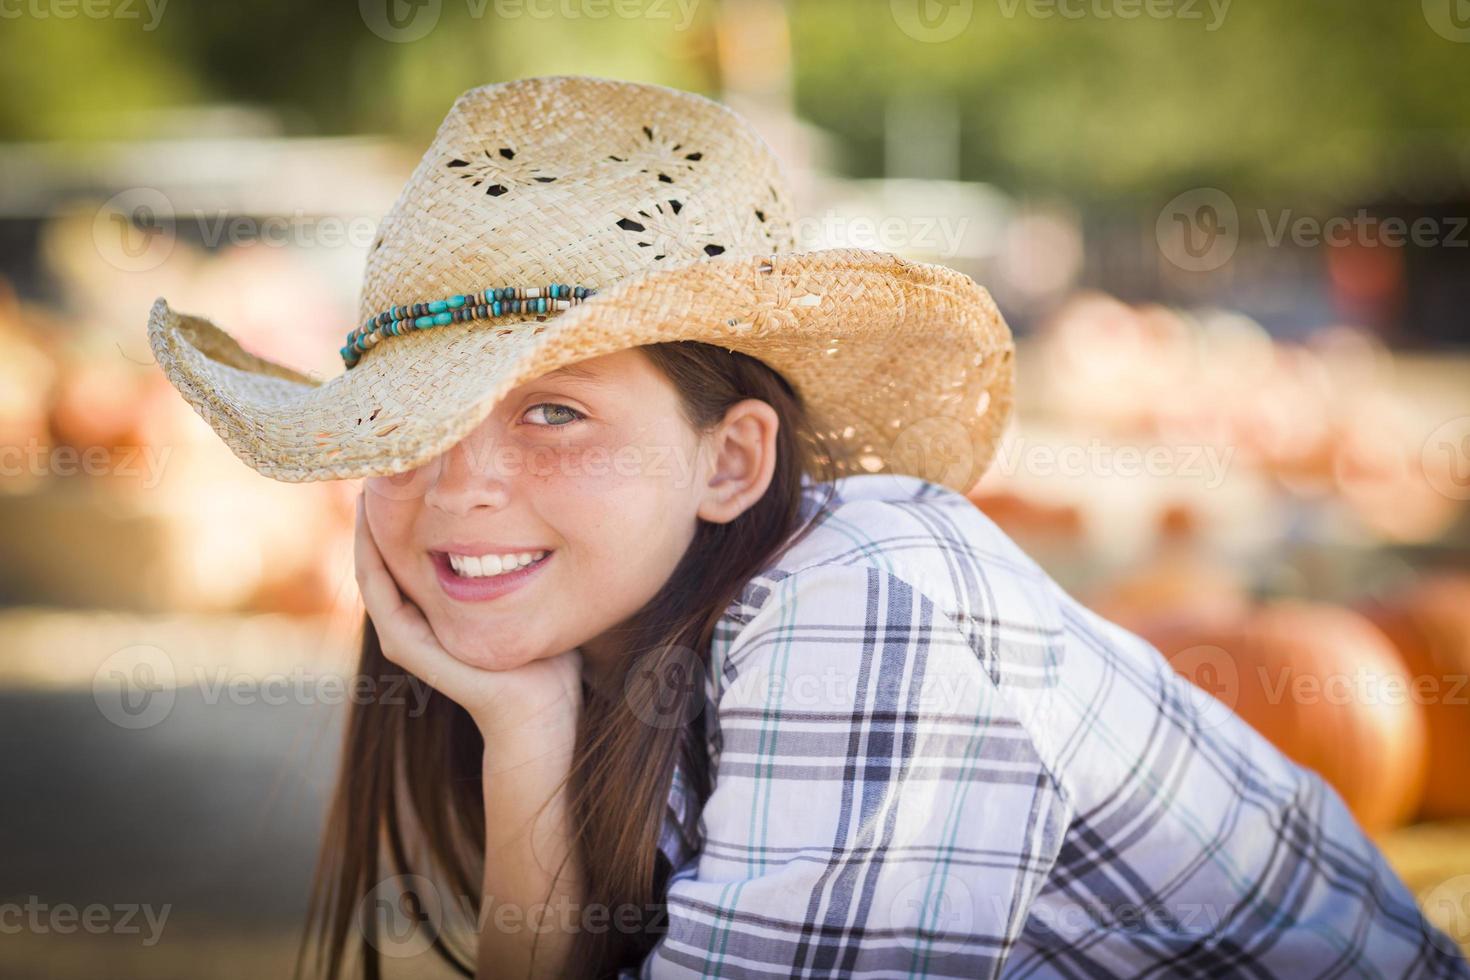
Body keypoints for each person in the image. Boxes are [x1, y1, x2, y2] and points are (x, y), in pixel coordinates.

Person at [147, 75, 1468, 980]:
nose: (457, 483)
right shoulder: (602, 660)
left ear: (731, 462)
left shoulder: (867, 598)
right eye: (412, 425)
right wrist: (525, 730)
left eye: (549, 412)